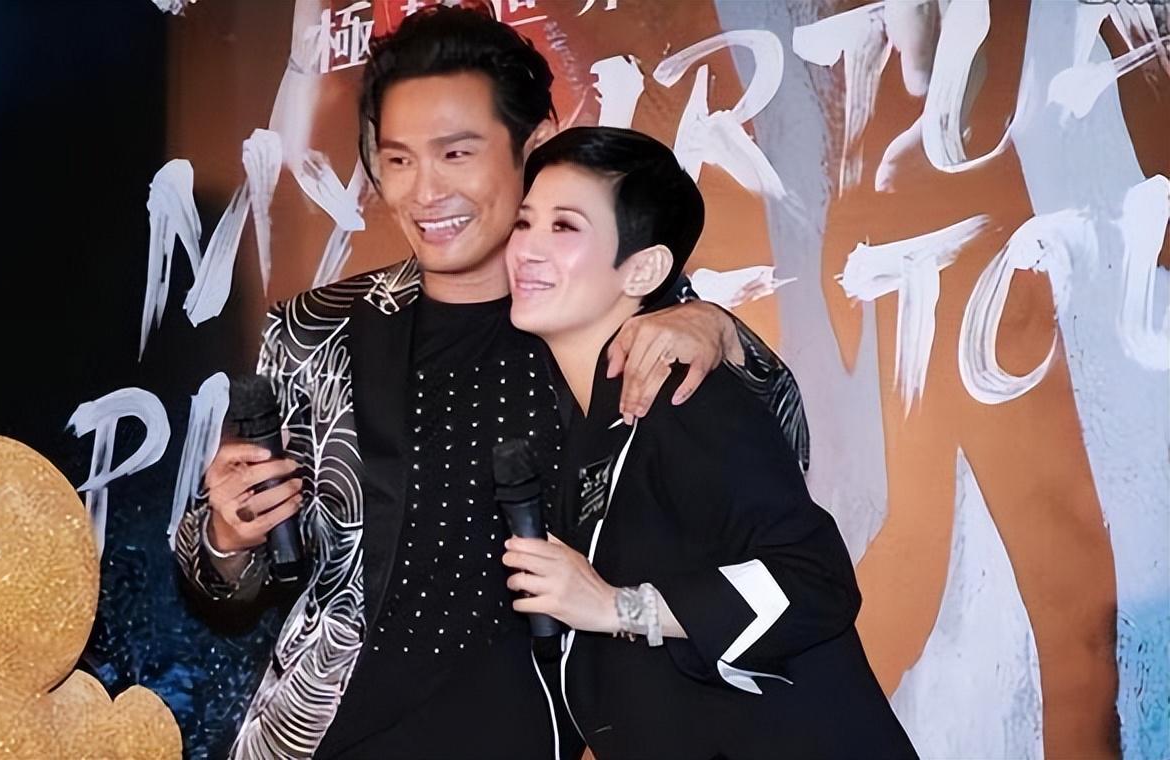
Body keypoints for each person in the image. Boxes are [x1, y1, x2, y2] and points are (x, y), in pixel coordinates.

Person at [174, 7, 808, 759]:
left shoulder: (624, 316)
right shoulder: (316, 330)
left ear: (532, 148)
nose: (423, 191)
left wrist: (723, 331)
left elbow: (780, 459)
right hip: (324, 736)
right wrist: (226, 536)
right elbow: (230, 588)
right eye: (398, 159)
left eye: (456, 153)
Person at [502, 126, 916, 759]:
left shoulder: (681, 394)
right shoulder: (592, 424)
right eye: (524, 221)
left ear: (644, 268)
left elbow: (815, 580)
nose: (527, 248)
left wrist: (620, 608)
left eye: (564, 227)